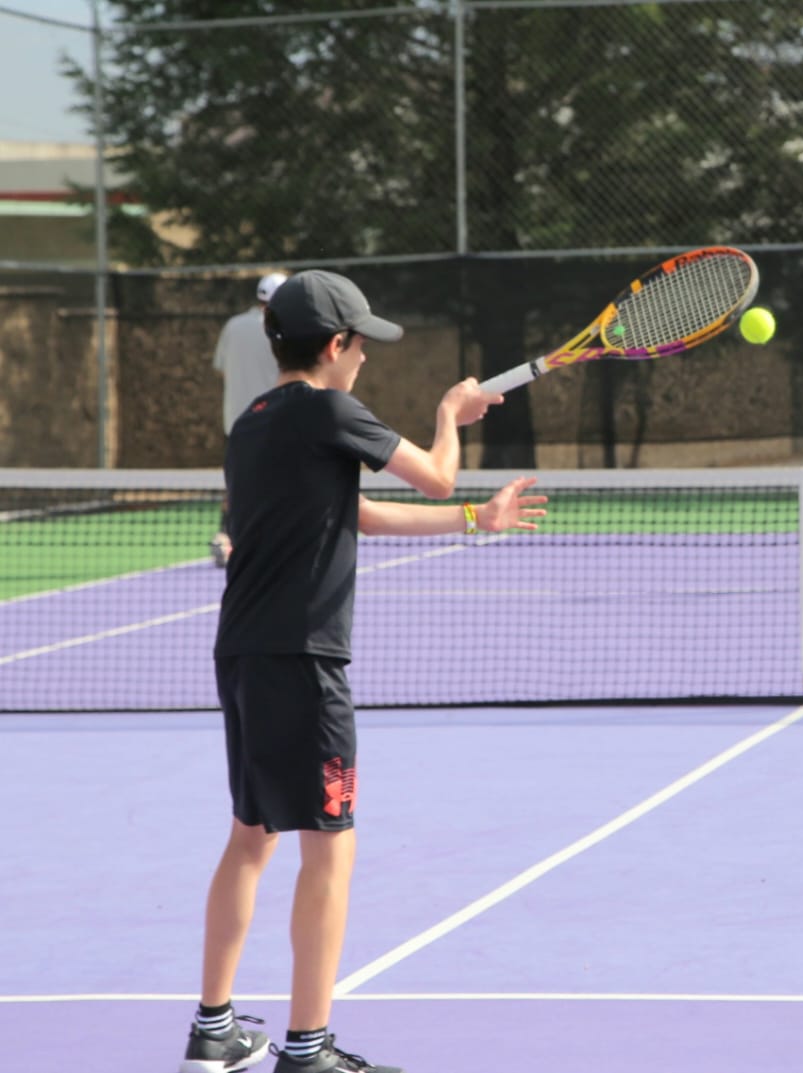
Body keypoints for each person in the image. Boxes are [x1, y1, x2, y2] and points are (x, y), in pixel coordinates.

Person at [179, 270, 546, 1073]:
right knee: (329, 850)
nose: (365, 361)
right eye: (361, 345)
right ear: (336, 345)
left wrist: (477, 521)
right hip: (307, 660)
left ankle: (214, 1031)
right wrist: (451, 415)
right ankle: (307, 1050)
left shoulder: (254, 423)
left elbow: (356, 514)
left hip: (241, 652)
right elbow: (437, 472)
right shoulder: (330, 408)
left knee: (251, 836)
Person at [210, 272, 288, 567]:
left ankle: (225, 536)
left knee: (236, 484)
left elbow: (222, 369)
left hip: (236, 422)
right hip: (274, 420)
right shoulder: (284, 330)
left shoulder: (233, 326)